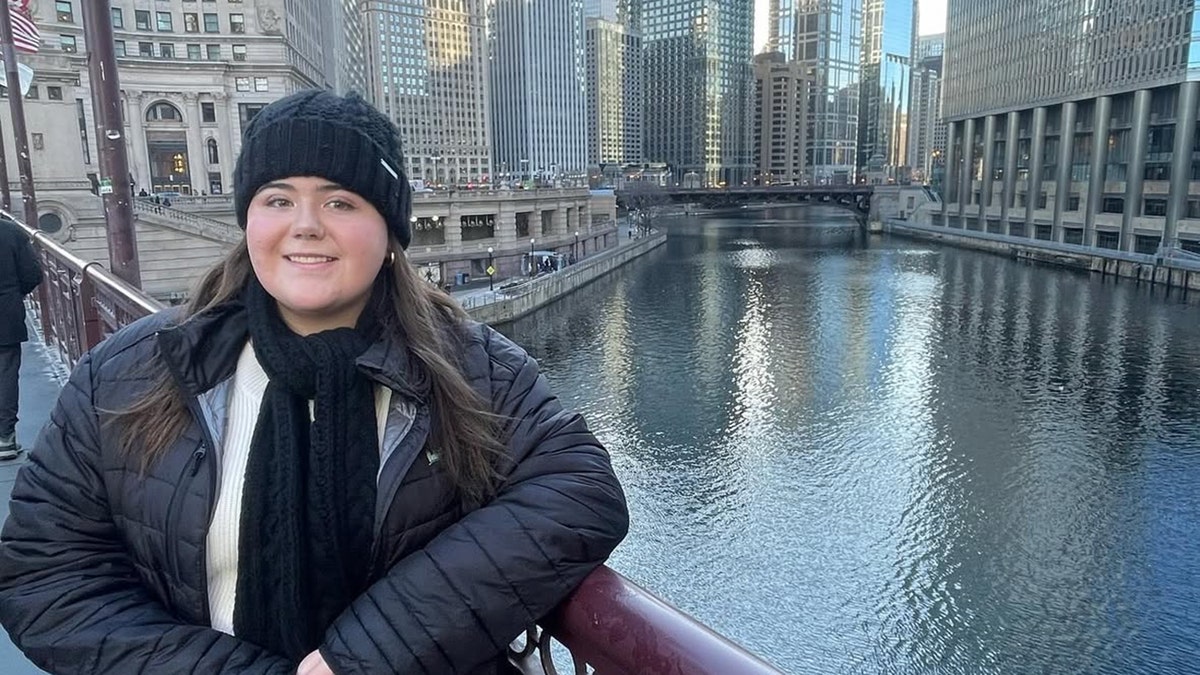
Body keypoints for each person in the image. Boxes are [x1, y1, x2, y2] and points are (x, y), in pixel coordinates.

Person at [0, 90, 629, 674]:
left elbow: (581, 488)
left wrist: (363, 655)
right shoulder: (130, 369)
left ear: (389, 234)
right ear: (248, 221)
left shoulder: (471, 366)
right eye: (277, 199)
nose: (305, 225)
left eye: (340, 201)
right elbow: (46, 578)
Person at [0, 215, 43, 460]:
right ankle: (5, 437)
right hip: (5, 314)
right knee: (5, 374)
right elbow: (32, 274)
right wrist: (13, 295)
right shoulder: (11, 232)